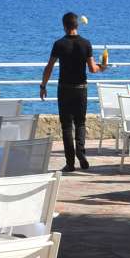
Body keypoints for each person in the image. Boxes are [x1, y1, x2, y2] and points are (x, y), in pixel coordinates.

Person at [40, 11, 105, 173]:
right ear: (77, 25)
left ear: (64, 26)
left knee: (67, 126)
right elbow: (92, 69)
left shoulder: (59, 44)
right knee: (81, 123)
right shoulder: (86, 43)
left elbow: (49, 67)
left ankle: (70, 163)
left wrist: (43, 85)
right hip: (81, 89)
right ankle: (81, 153)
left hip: (64, 90)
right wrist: (102, 67)